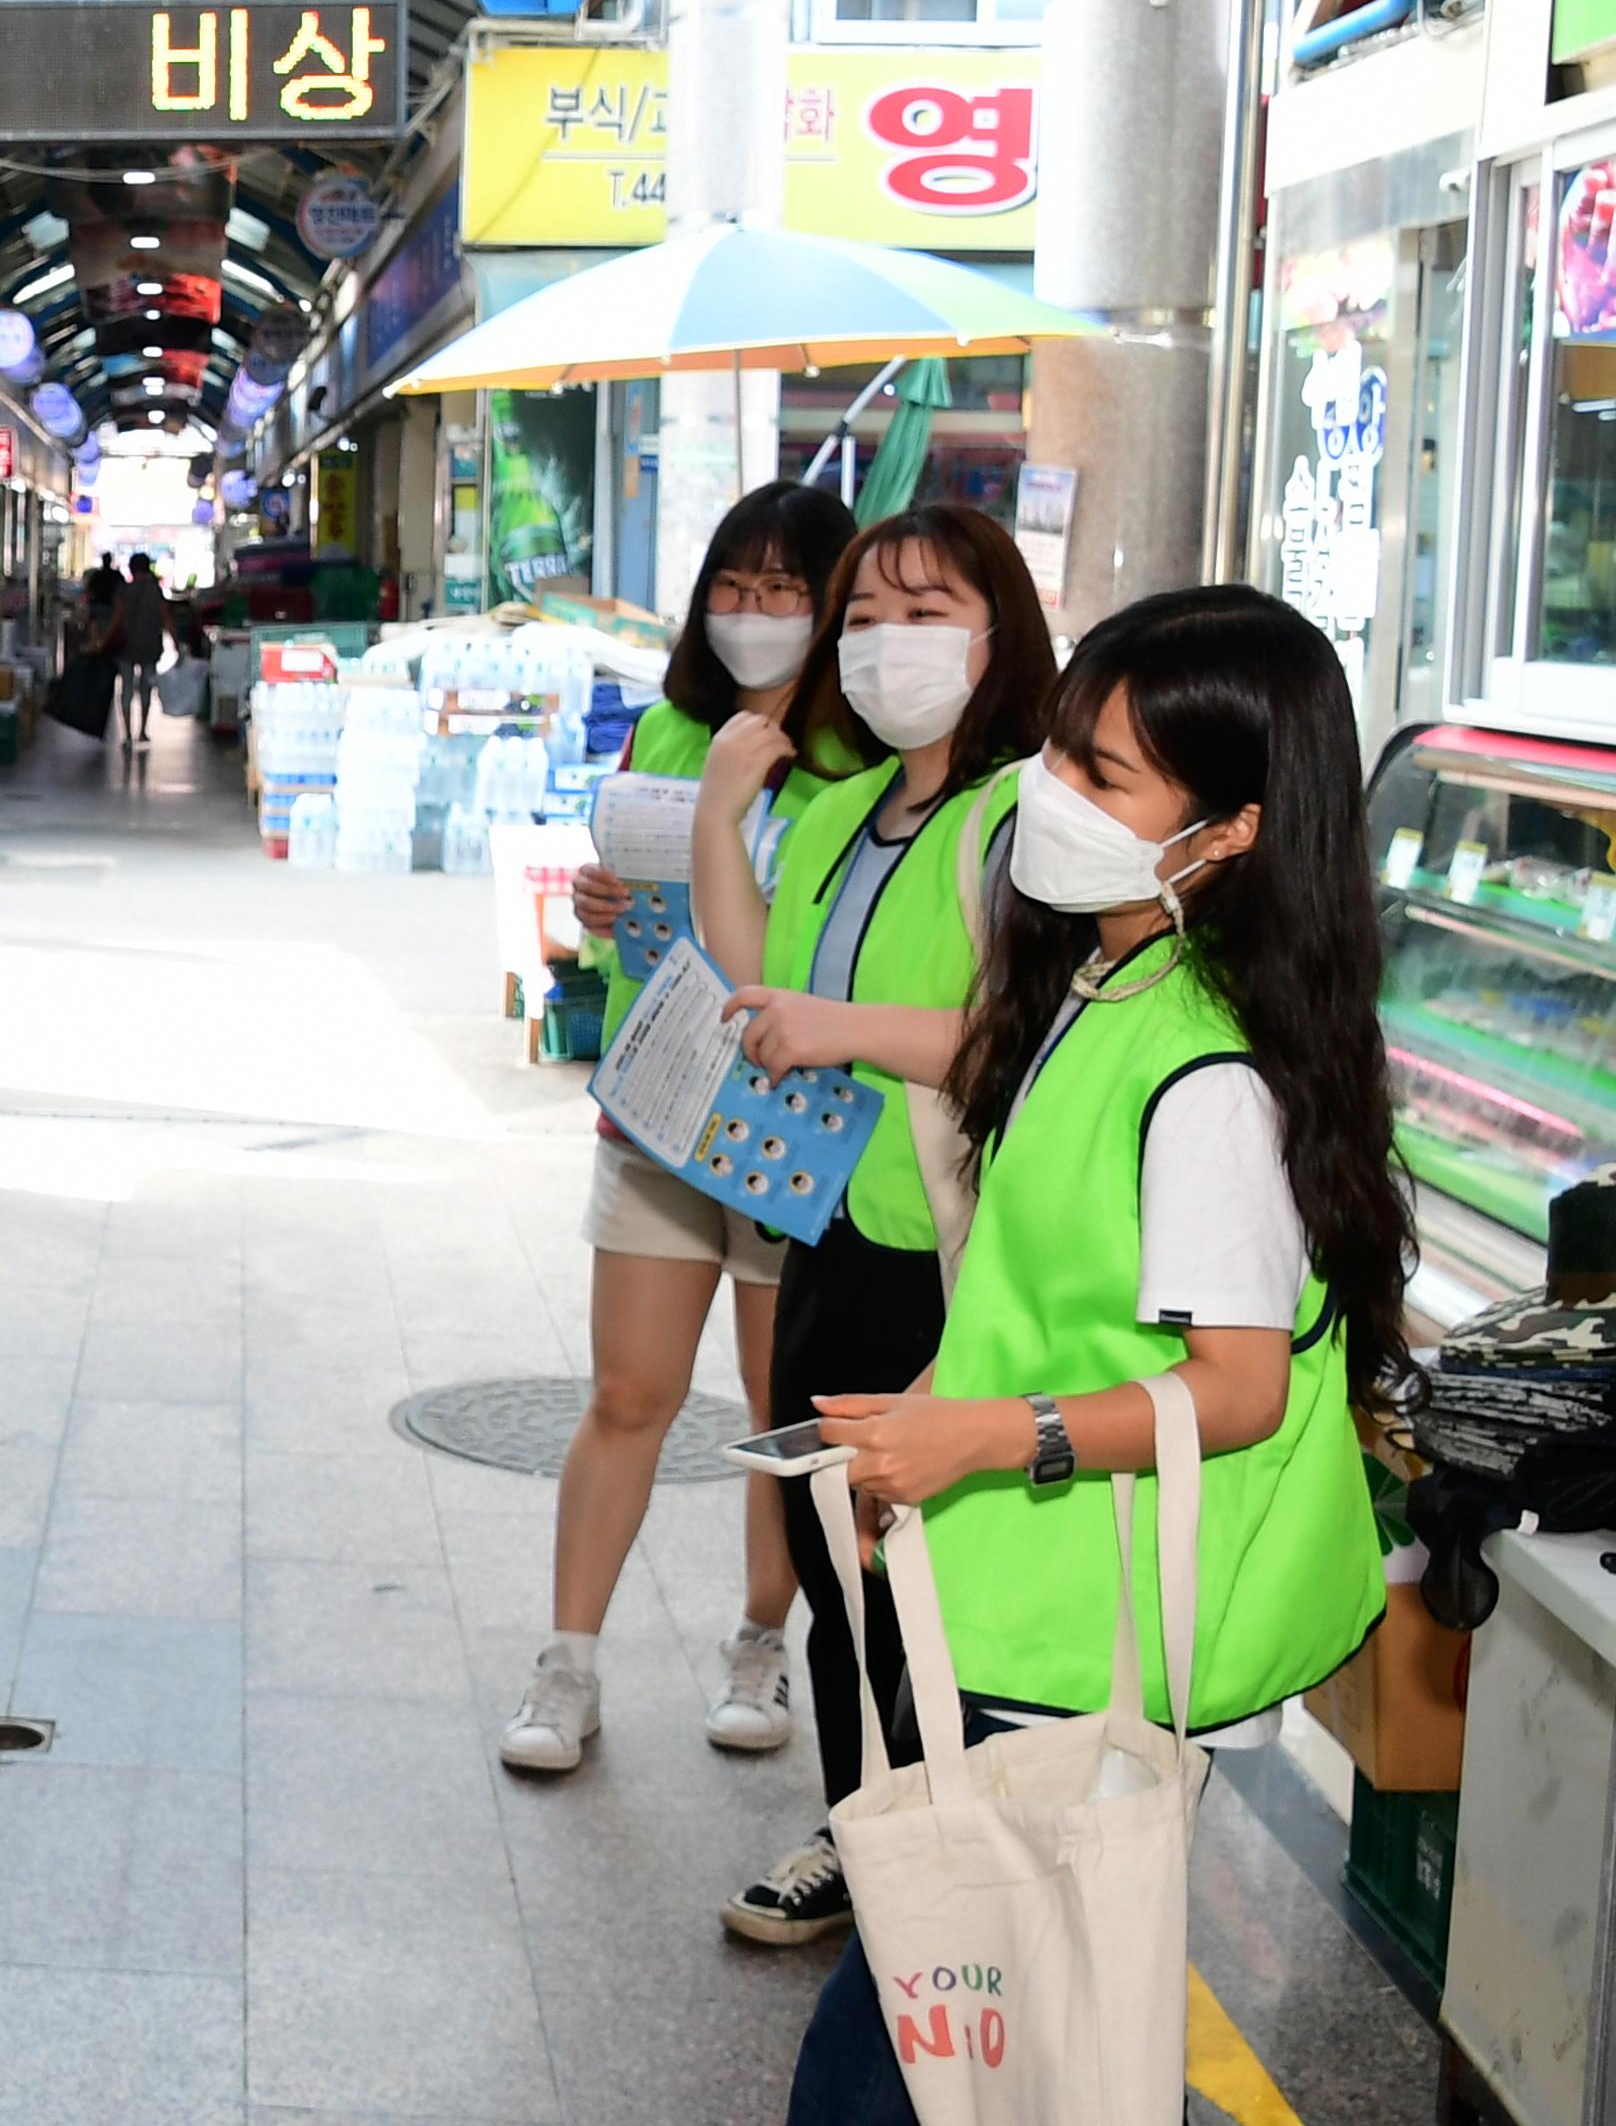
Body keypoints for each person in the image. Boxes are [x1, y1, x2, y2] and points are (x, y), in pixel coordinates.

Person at [784, 586, 1399, 2121]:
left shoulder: (1206, 1080)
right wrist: (918, 1425)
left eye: (1104, 777)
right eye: (1060, 752)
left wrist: (980, 1443)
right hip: (1014, 1601)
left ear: (1232, 832)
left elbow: (1238, 1391)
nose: (1048, 797)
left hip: (1082, 1636)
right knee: (956, 2044)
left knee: (902, 2062)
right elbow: (1037, 1288)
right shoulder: (1101, 981)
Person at [687, 500, 1057, 1947]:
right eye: (868, 617)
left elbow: (1023, 1038)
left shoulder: (1023, 814)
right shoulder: (844, 810)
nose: (885, 643)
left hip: (950, 1258)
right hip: (824, 1231)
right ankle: (859, 1829)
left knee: (917, 1574)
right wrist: (724, 805)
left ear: (999, 632)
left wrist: (836, 1024)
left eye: (926, 613)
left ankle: (928, 1851)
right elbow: (751, 972)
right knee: (829, 1549)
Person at [502, 482, 856, 1780]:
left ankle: (760, 1641)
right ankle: (568, 1663)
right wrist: (602, 901)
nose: (755, 617)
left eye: (786, 593)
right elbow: (636, 922)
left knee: (777, 1408)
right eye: (733, 590)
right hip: (662, 1110)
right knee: (628, 1392)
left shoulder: (864, 767)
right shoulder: (670, 726)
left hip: (793, 1129)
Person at [113, 550, 169, 750]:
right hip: (150, 644)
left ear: (131, 568)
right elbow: (165, 616)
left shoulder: (123, 590)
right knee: (146, 687)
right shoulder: (156, 590)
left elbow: (118, 617)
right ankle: (142, 731)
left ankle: (127, 735)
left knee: (126, 689)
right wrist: (176, 640)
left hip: (126, 645)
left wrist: (105, 640)